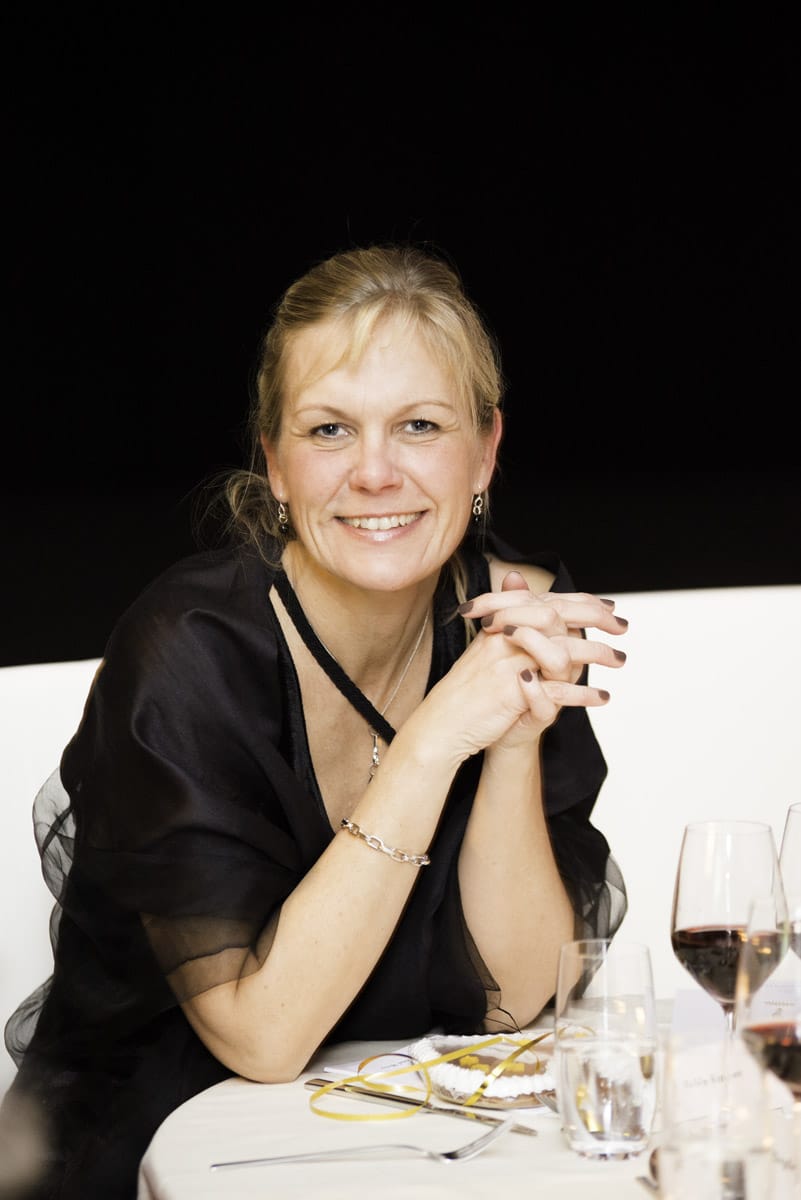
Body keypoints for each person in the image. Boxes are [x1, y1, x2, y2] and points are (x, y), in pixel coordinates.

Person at [2, 242, 628, 1197]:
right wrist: (431, 741)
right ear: (275, 464)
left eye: (419, 425)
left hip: (402, 1142)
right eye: (330, 429)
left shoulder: (512, 616)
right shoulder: (188, 656)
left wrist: (509, 743)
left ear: (485, 450)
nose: (374, 472)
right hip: (169, 1150)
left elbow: (516, 1000)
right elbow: (263, 1038)